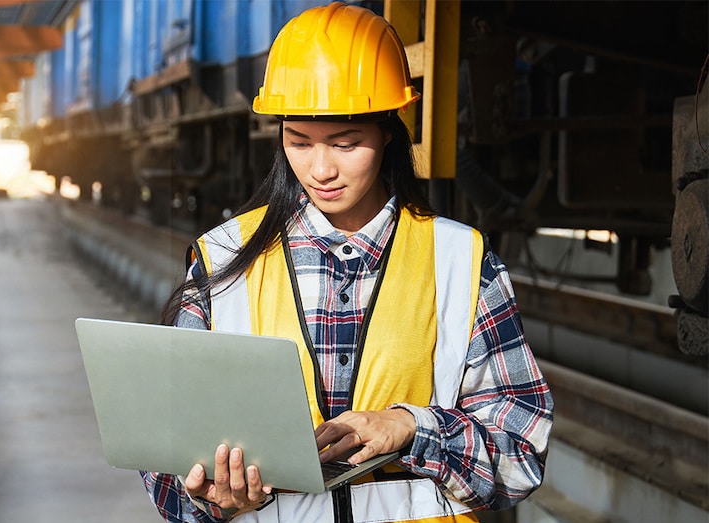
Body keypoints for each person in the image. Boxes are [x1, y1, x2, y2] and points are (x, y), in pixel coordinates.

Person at [141, 3, 553, 522]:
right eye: (298, 142)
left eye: (346, 143)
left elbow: (521, 454)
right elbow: (164, 466)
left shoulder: (460, 261)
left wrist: (411, 427)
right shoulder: (224, 258)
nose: (321, 169)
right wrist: (209, 497)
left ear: (387, 130)